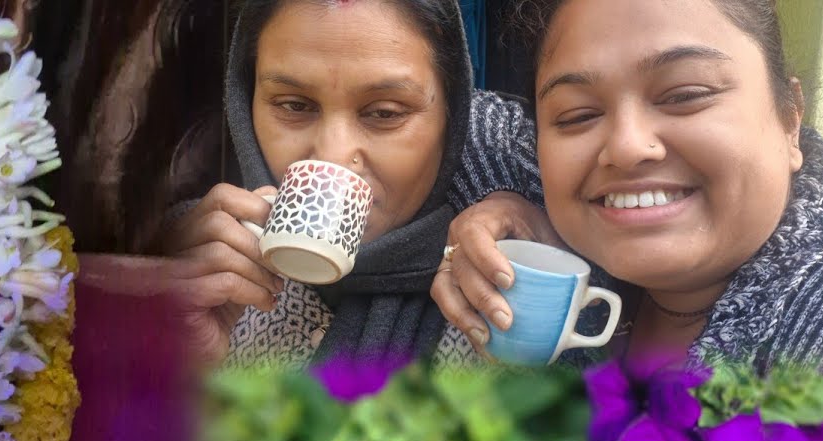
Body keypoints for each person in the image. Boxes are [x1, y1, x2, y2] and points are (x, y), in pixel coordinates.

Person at [431, 0, 823, 374]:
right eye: (577, 115)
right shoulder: (529, 181)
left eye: (685, 95)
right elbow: (414, 113)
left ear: (791, 119)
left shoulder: (821, 320)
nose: (626, 147)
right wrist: (508, 202)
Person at [161, 0, 540, 370]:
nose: (332, 156)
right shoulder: (185, 262)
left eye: (384, 113)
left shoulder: (510, 296)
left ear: (451, 116)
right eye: (294, 105)